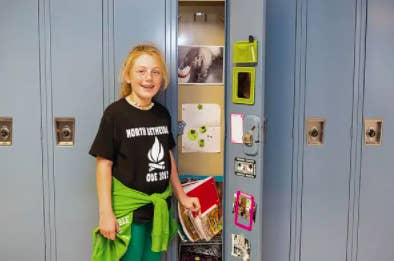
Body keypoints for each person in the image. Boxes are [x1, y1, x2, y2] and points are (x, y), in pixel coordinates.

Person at [89, 44, 200, 261]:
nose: (148, 78)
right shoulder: (115, 114)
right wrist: (105, 213)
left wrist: (182, 196)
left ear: (162, 78)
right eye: (141, 71)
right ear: (128, 76)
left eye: (155, 72)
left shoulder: (161, 114)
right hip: (129, 211)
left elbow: (168, 157)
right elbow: (104, 164)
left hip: (158, 209)